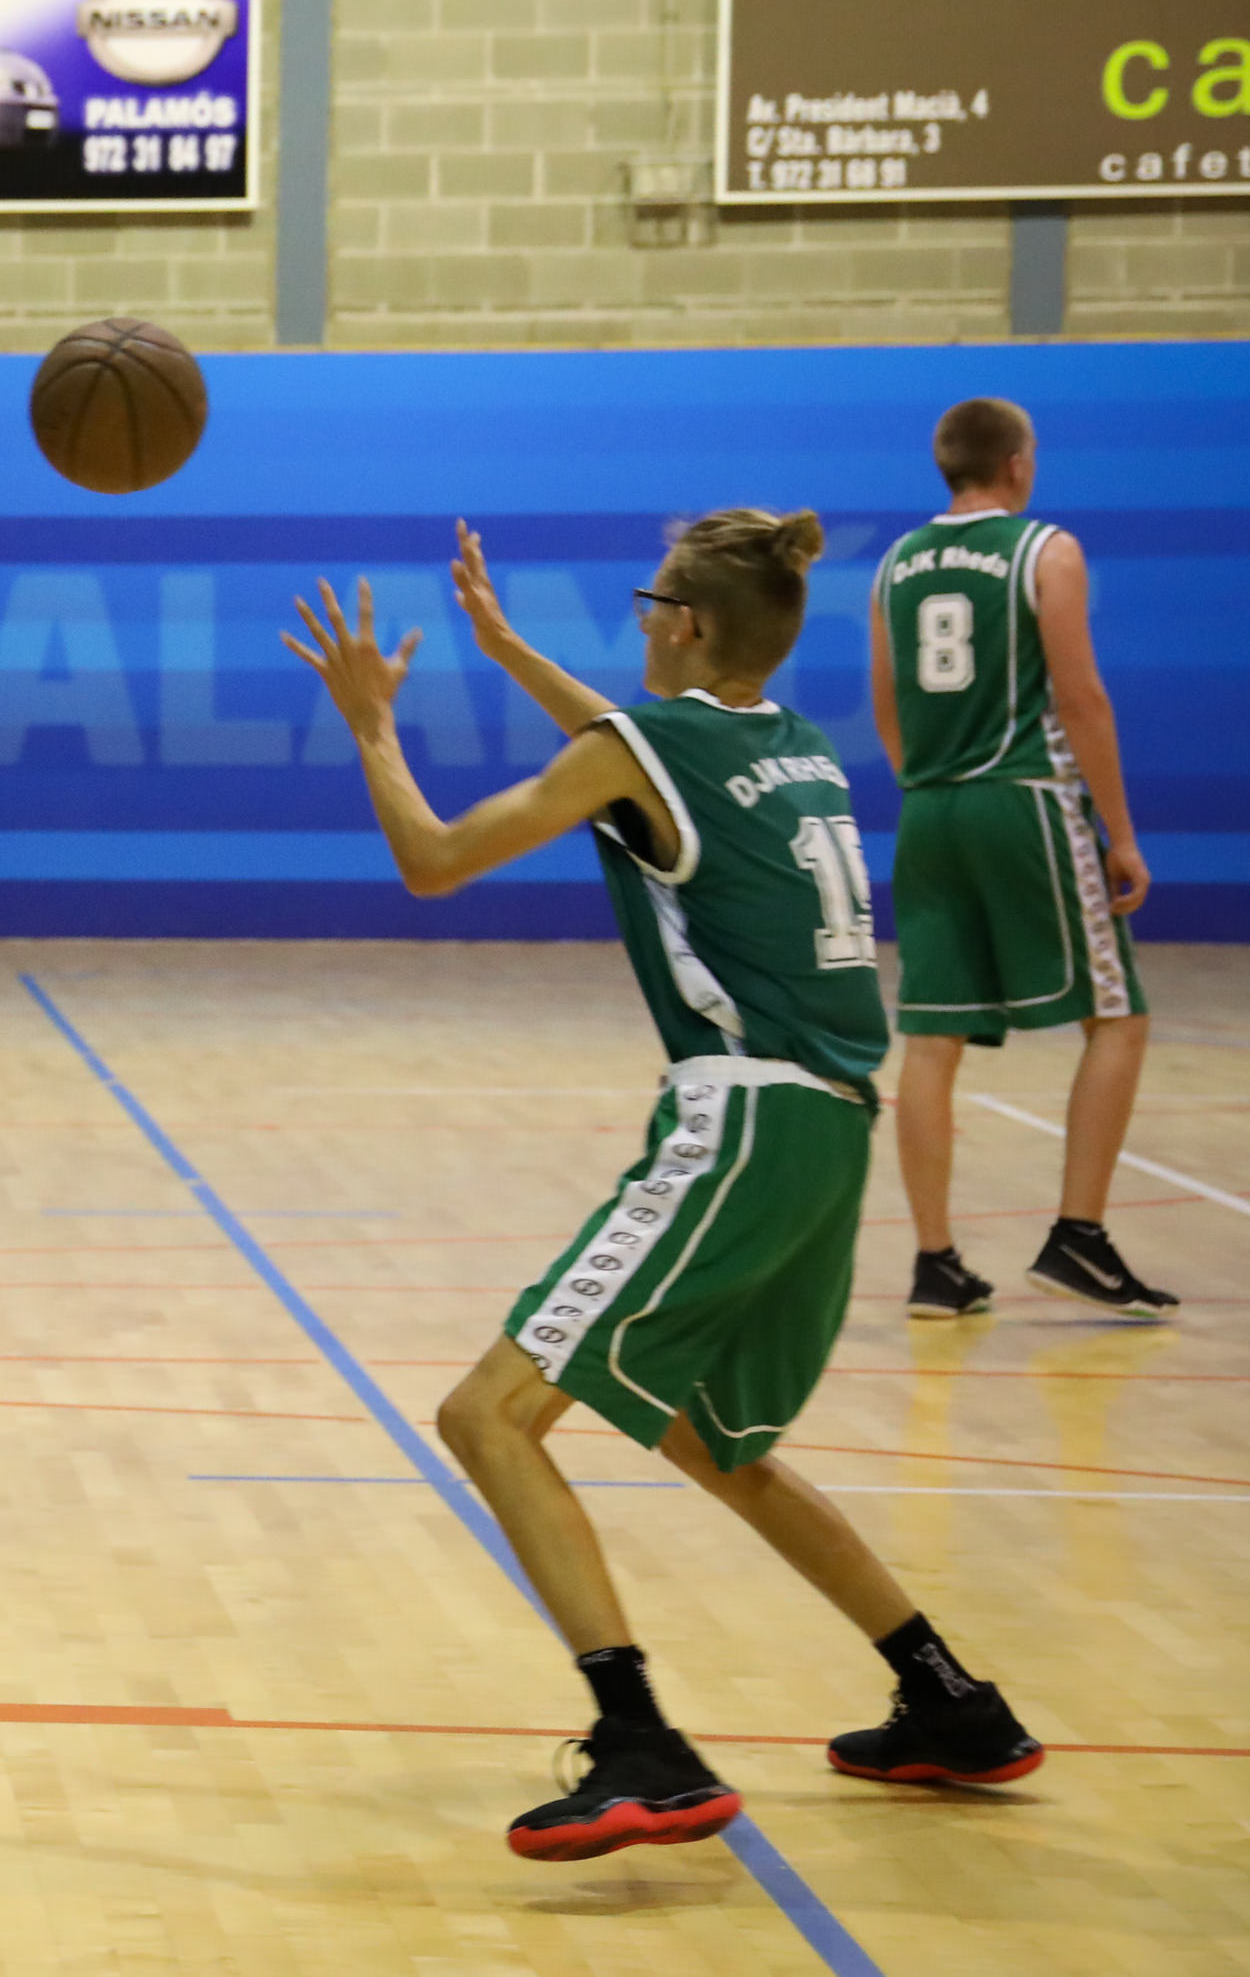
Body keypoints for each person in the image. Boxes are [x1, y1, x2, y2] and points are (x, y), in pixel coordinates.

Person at [284, 515, 1040, 1864]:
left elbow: (435, 859)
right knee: (711, 1440)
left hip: (738, 1122)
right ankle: (948, 1699)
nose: (639, 621)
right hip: (830, 1133)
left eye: (650, 604)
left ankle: (638, 1746)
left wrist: (370, 727)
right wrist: (507, 649)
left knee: (485, 1417)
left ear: (682, 623)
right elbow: (637, 749)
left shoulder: (644, 748)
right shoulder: (788, 743)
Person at [866, 396, 1169, 1321]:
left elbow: (887, 700)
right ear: (1017, 464)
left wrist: (929, 784)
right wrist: (1120, 832)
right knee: (1117, 1015)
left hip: (927, 808)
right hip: (1024, 798)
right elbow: (1080, 698)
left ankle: (935, 1264)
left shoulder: (895, 563)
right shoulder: (1047, 549)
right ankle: (1078, 1235)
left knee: (932, 1039)